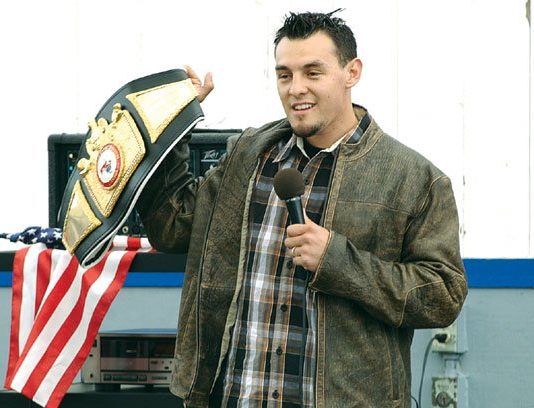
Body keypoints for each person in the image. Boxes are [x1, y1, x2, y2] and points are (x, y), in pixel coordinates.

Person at [137, 9, 467, 408]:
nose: (296, 89)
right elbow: (172, 228)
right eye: (285, 75)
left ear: (352, 72)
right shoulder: (247, 156)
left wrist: (336, 260)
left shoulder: (413, 178)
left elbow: (443, 296)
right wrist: (171, 124)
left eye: (313, 73)